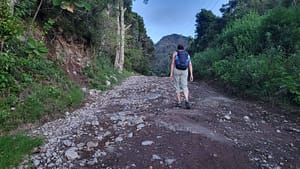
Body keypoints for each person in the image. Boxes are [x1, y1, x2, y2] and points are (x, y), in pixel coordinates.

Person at [170, 44, 193, 109]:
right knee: (184, 86)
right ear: (183, 48)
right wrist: (191, 74)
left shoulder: (175, 53)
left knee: (177, 86)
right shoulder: (187, 54)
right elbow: (190, 64)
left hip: (176, 70)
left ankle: (179, 102)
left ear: (178, 48)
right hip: (185, 71)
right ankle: (186, 100)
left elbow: (172, 63)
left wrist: (171, 73)